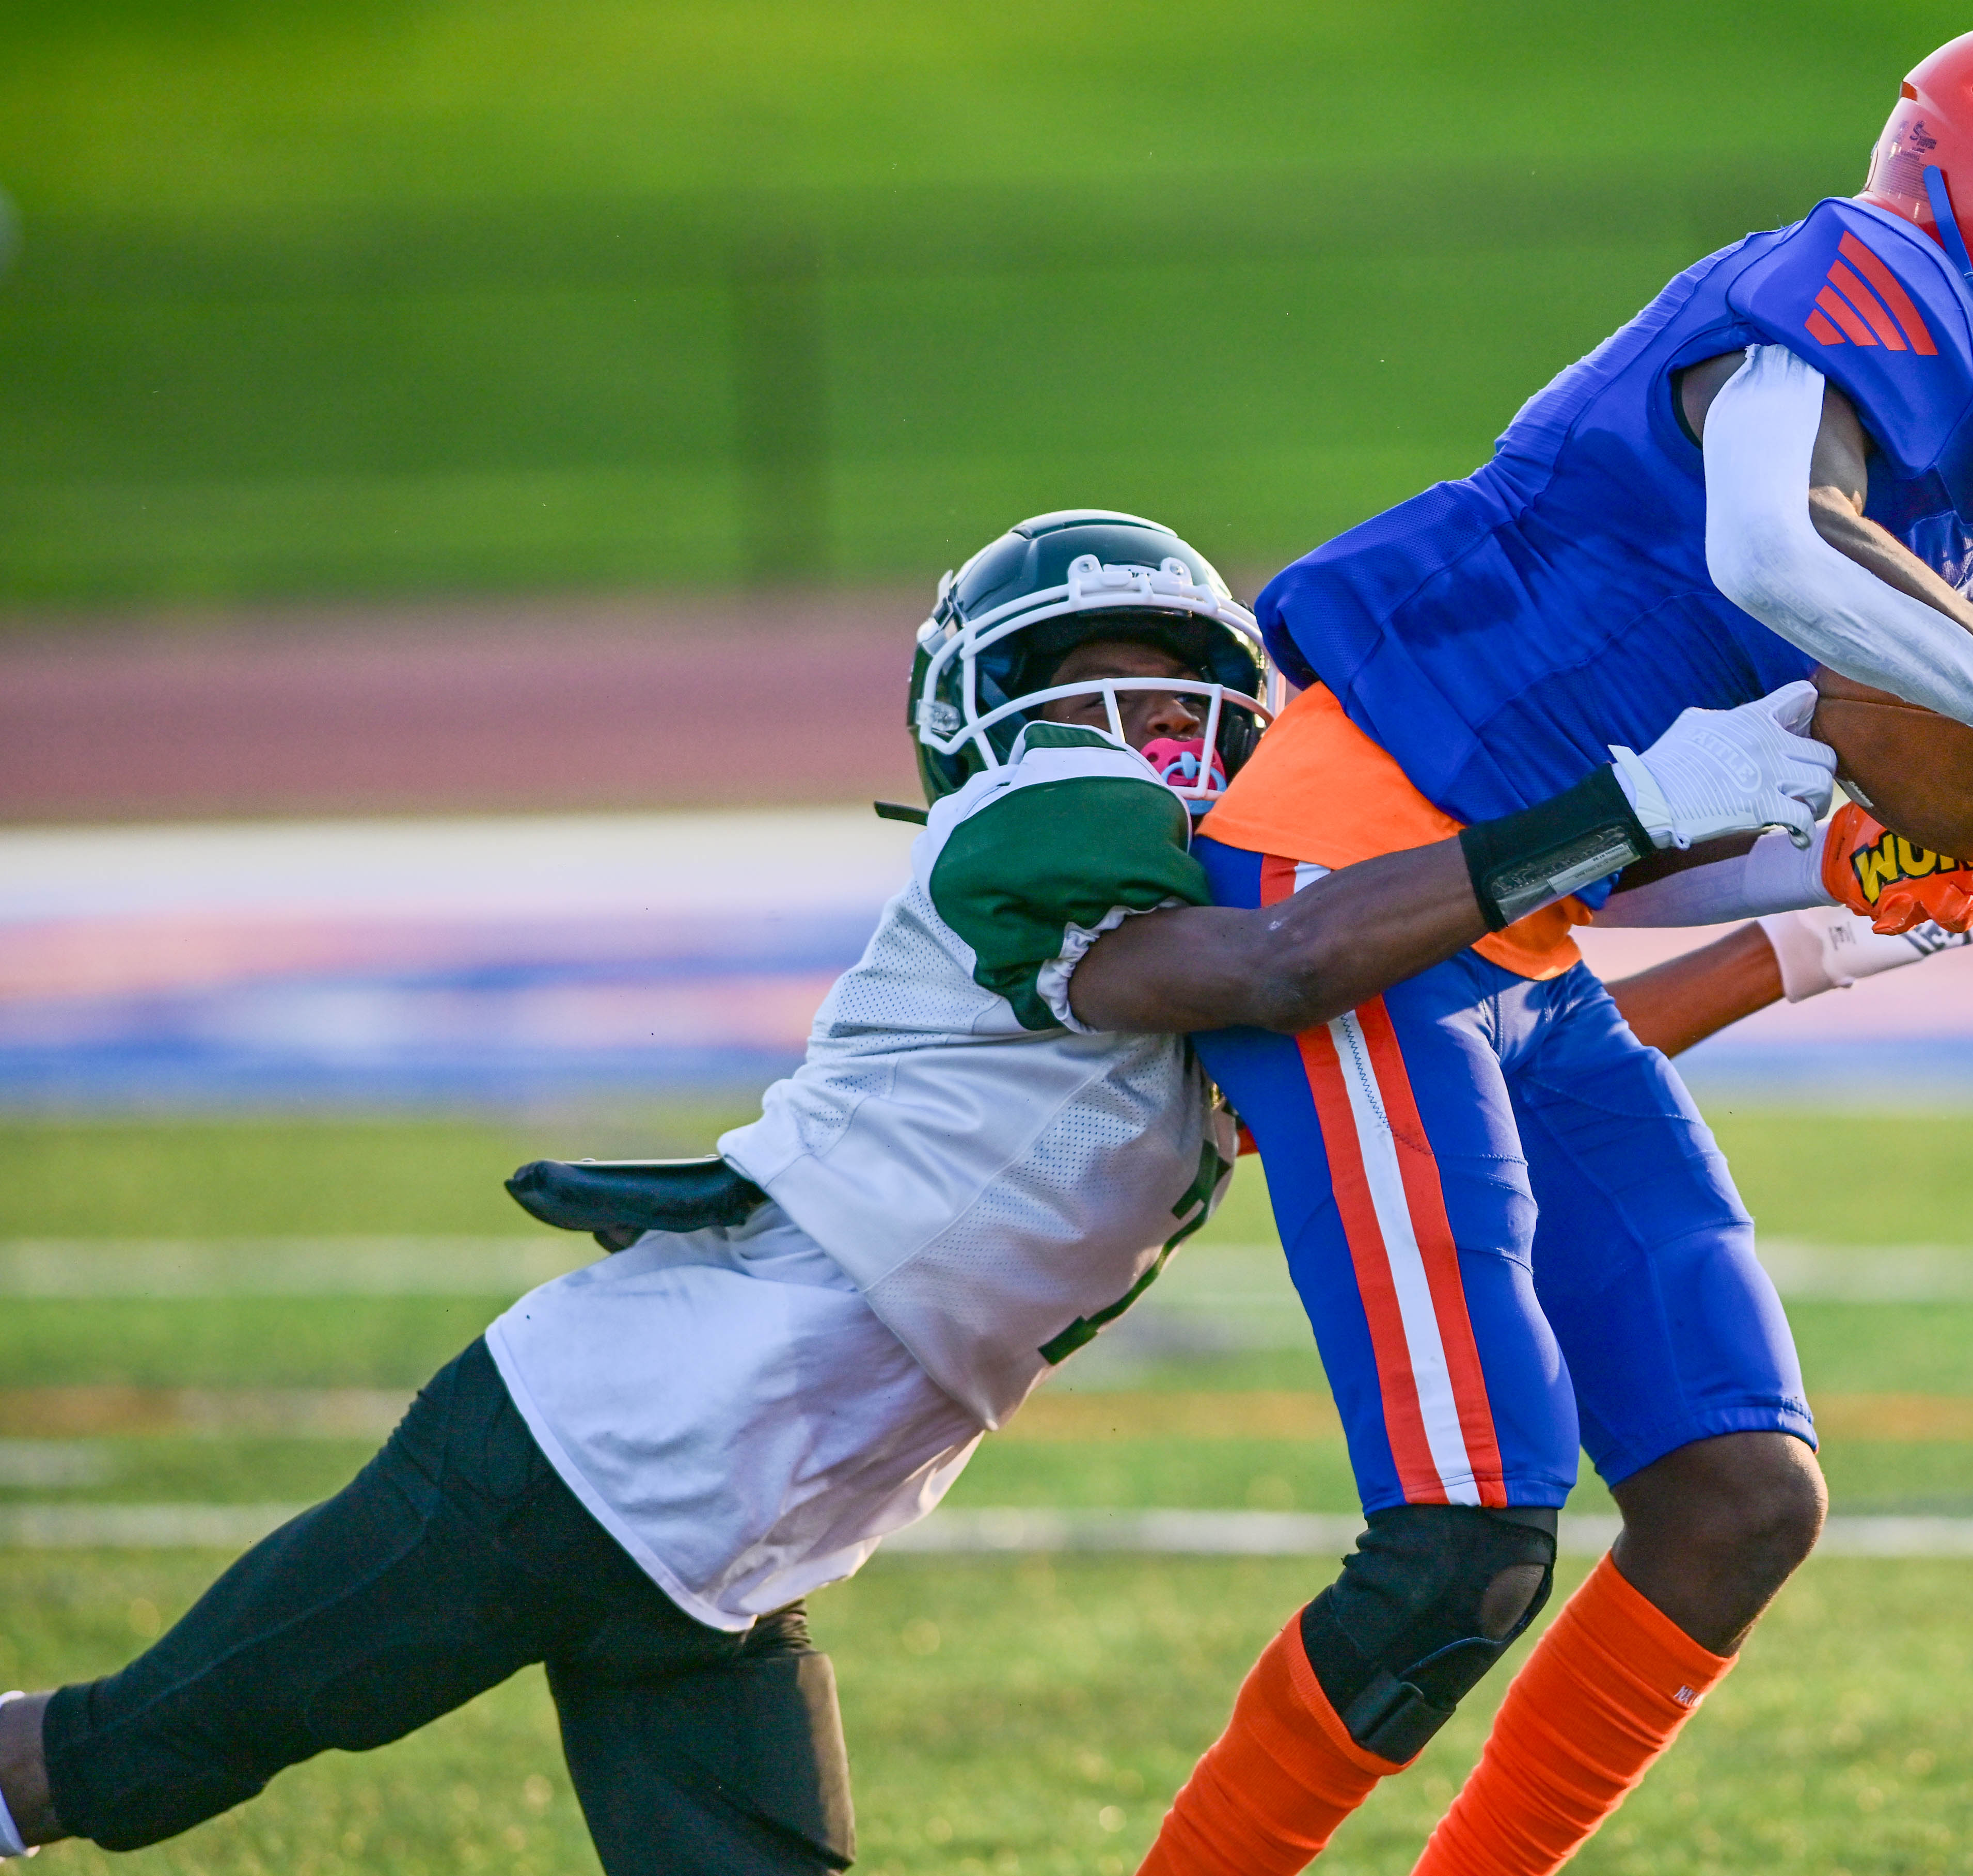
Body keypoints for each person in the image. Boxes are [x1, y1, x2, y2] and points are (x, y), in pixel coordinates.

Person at [0, 510, 1848, 1873]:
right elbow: (1287, 968)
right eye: (1071, 678)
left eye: (1170, 671)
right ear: (988, 724)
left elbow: (1465, 1069)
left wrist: (1807, 944)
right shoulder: (1036, 834)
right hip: (574, 1461)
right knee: (117, 1760)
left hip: (744, 1545)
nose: (1132, 711)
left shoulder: (1255, 915)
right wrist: (1616, 812)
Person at [1135, 20, 1973, 1876]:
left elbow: (1666, 827)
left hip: (1516, 927)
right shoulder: (1861, 273)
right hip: (1354, 882)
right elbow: (1764, 541)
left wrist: (1849, 877)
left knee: (1740, 1495)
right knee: (1462, 1536)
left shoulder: (1948, 478)